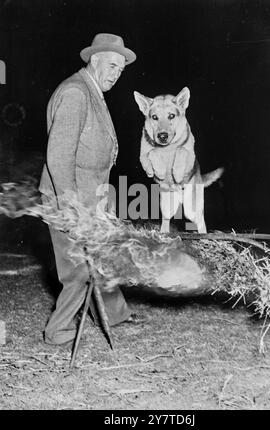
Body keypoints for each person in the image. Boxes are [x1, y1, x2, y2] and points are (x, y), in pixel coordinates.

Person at [39, 33, 147, 346]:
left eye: (120, 69)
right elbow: (59, 156)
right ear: (94, 59)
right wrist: (71, 206)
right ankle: (58, 330)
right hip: (67, 197)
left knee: (104, 256)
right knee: (78, 269)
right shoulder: (75, 92)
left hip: (92, 197)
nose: (116, 72)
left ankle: (115, 315)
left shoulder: (91, 91)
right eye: (112, 65)